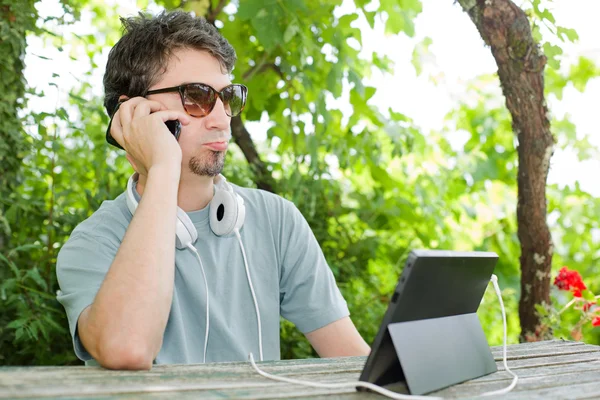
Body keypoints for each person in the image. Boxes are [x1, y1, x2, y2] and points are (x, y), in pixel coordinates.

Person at [56, 10, 370, 370]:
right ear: (134, 115)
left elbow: (351, 357)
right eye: (197, 96)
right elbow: (126, 349)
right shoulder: (93, 241)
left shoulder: (276, 219)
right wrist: (161, 170)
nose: (222, 118)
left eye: (227, 97)